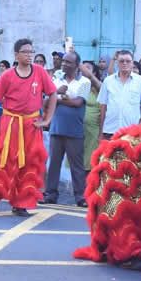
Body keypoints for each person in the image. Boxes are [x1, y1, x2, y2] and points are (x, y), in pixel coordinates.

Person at [0, 39, 57, 216]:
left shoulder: (39, 72)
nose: (29, 55)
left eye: (31, 51)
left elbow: (53, 94)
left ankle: (21, 203)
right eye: (25, 52)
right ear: (16, 55)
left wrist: (47, 120)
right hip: (10, 125)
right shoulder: (7, 75)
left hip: (31, 126)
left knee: (29, 164)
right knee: (2, 162)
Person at [43, 51, 90, 205]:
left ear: (76, 65)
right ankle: (50, 195)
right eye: (63, 61)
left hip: (74, 130)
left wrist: (56, 99)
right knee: (53, 164)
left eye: (68, 62)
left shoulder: (84, 82)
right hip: (56, 128)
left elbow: (77, 103)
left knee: (77, 166)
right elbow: (45, 102)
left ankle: (80, 197)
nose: (64, 64)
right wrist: (57, 93)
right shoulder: (55, 80)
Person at [97, 49, 141, 139]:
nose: (125, 63)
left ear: (132, 63)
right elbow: (103, 107)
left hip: (132, 132)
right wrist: (101, 132)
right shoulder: (108, 81)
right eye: (121, 61)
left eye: (128, 61)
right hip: (110, 131)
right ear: (117, 63)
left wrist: (140, 127)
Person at [80, 60, 104, 171]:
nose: (83, 70)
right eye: (82, 68)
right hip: (78, 129)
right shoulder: (78, 85)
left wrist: (101, 132)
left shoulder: (99, 88)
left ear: (94, 73)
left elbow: (103, 110)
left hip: (93, 130)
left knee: (90, 162)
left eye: (87, 68)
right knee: (78, 161)